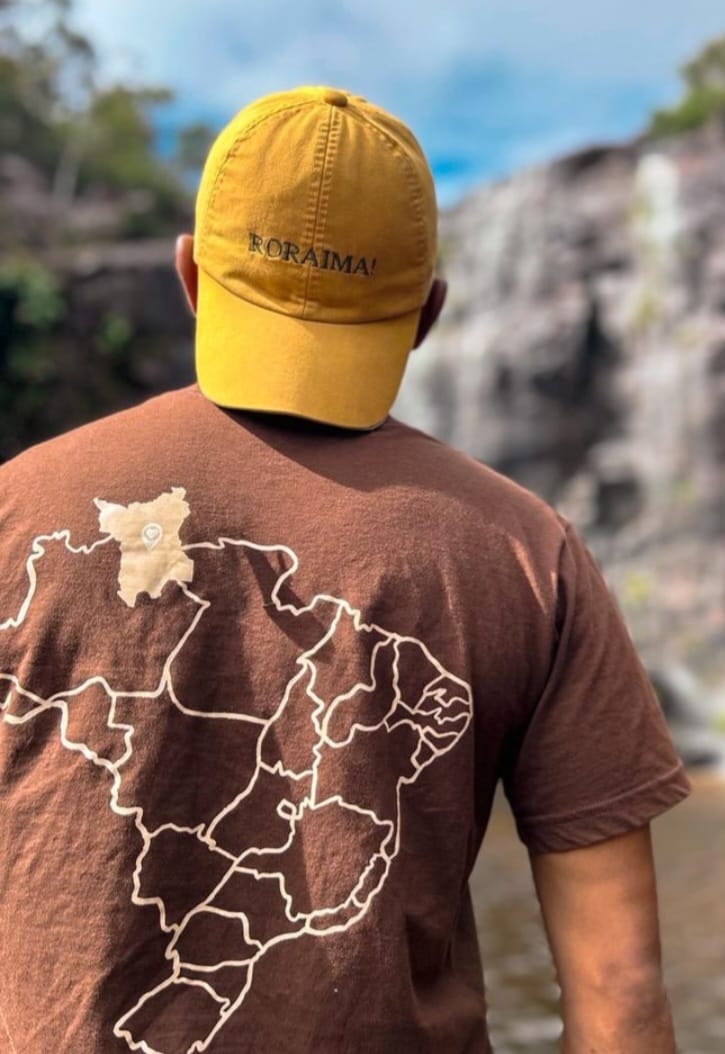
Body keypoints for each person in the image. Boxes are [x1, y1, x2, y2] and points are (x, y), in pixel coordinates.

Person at [0, 85, 690, 1054]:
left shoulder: (16, 512)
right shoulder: (529, 553)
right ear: (426, 313)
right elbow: (618, 991)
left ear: (190, 273)